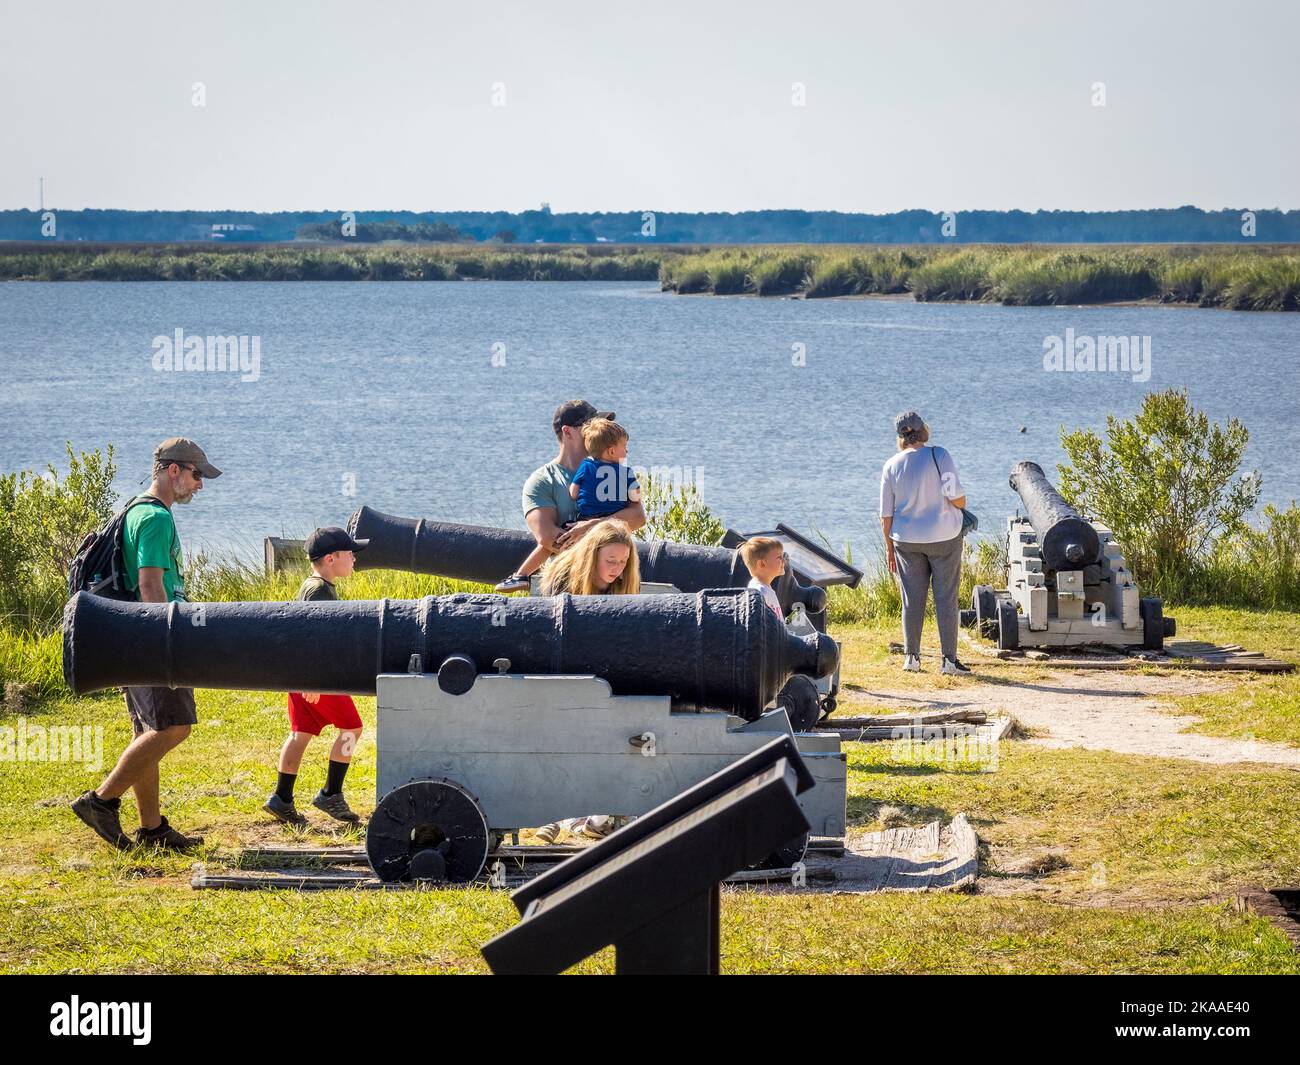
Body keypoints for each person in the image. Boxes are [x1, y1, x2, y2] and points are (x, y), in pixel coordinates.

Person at [72, 437, 220, 852]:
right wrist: (166, 644)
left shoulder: (135, 509)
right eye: (196, 475)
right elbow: (150, 583)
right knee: (174, 727)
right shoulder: (156, 518)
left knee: (149, 731)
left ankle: (152, 829)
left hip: (128, 636)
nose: (200, 485)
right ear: (173, 470)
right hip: (151, 639)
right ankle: (100, 801)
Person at [534, 520, 640, 842]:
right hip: (565, 668)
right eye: (610, 561)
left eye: (623, 562)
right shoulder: (562, 580)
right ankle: (557, 813)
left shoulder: (623, 584)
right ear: (592, 555)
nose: (617, 569)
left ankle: (600, 809)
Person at [263, 527, 371, 827]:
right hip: (316, 679)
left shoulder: (317, 585)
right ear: (330, 558)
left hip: (302, 677)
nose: (354, 559)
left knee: (301, 734)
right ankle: (331, 794)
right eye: (349, 554)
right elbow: (306, 637)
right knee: (352, 729)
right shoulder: (319, 591)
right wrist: (312, 680)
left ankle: (281, 798)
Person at [495, 400, 646, 593]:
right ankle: (521, 576)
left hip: (616, 580)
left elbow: (637, 517)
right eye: (590, 425)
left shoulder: (615, 471)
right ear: (567, 432)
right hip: (568, 583)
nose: (600, 430)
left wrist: (590, 526)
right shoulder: (542, 481)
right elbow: (548, 537)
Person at [879, 411, 972, 676]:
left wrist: (889, 548)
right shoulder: (939, 455)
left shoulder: (891, 465)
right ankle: (949, 662)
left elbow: (886, 515)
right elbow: (958, 498)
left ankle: (912, 658)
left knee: (912, 599)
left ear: (900, 437)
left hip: (906, 540)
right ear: (923, 431)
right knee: (946, 597)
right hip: (944, 537)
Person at [568, 418, 641, 520]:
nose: (627, 451)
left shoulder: (585, 466)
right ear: (611, 451)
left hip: (586, 519)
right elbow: (635, 498)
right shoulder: (626, 472)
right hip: (613, 521)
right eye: (625, 447)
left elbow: (573, 494)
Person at [740, 536, 786, 621]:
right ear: (762, 564)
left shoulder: (765, 588)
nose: (784, 560)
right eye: (779, 557)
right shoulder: (760, 592)